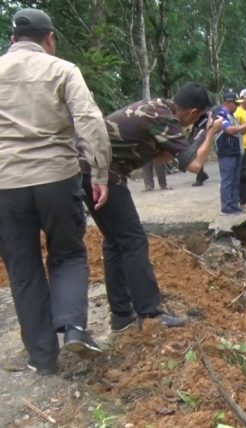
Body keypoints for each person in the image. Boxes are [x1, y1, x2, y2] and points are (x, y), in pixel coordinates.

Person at [0, 7, 112, 374]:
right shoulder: (62, 69)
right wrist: (100, 172)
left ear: (13, 39)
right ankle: (75, 329)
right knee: (67, 253)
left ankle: (42, 359)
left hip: (6, 185)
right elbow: (91, 120)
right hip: (56, 178)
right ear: (49, 39)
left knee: (23, 267)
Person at [80, 82, 223, 334]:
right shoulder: (164, 117)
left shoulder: (159, 109)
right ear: (192, 112)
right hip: (102, 173)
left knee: (115, 241)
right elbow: (194, 167)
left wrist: (195, 137)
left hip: (86, 169)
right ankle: (150, 313)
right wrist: (210, 135)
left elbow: (163, 157)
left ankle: (122, 315)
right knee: (134, 240)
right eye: (197, 118)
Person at [216, 89, 246, 214]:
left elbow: (239, 132)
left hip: (236, 152)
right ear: (228, 103)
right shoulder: (221, 115)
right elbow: (230, 130)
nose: (237, 106)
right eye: (236, 104)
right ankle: (226, 206)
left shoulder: (232, 116)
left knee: (236, 179)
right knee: (227, 180)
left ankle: (234, 203)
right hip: (226, 152)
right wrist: (245, 126)